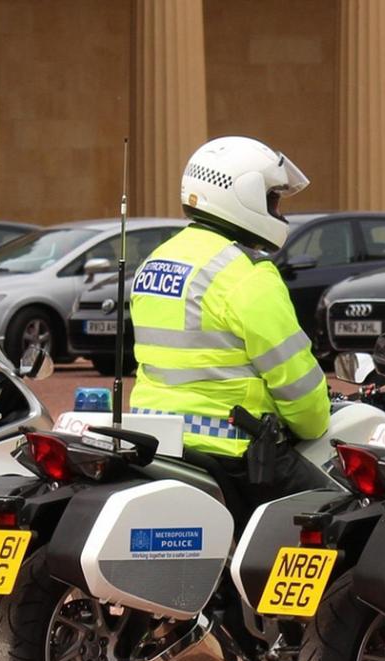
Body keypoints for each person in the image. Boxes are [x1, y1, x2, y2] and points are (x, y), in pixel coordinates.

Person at [127, 136, 331, 513]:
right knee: (340, 509)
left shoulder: (156, 261)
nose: (278, 211)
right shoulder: (246, 274)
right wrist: (317, 418)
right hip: (233, 451)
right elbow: (297, 384)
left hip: (159, 442)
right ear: (244, 195)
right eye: (272, 199)